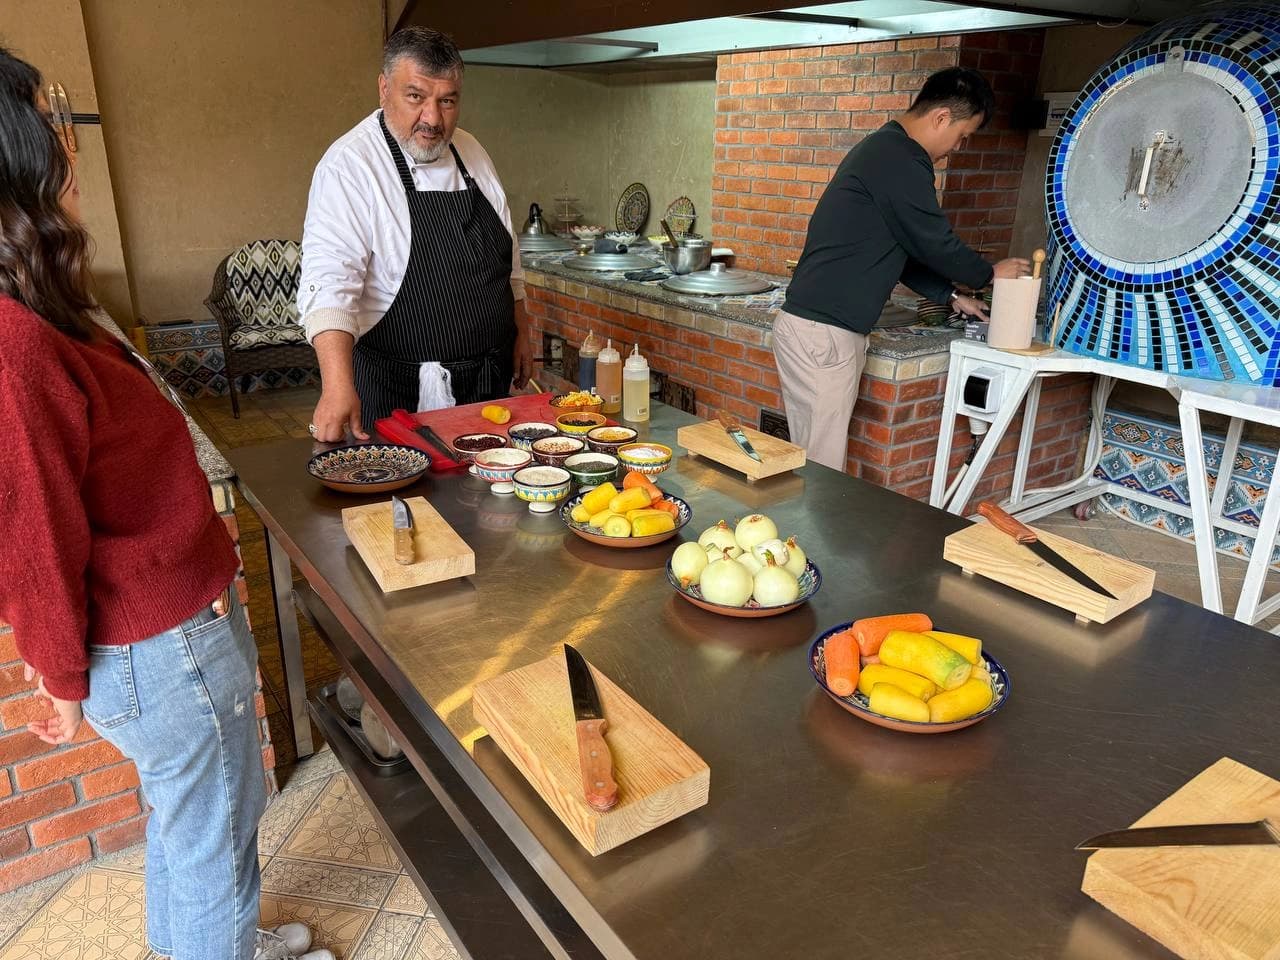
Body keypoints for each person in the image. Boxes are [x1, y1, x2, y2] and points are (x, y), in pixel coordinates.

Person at [0, 48, 330, 960]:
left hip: (162, 636)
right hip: (157, 648)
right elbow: (31, 537)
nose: (68, 146)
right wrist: (60, 677)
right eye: (47, 124)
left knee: (196, 825)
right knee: (211, 839)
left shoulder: (41, 305)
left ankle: (219, 943)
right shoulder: (12, 342)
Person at [774, 67, 1030, 471]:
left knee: (813, 461)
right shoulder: (902, 158)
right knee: (822, 470)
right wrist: (990, 274)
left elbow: (904, 251)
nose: (957, 147)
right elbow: (932, 239)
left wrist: (952, 296)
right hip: (824, 334)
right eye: (962, 135)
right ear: (942, 117)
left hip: (816, 330)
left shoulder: (884, 150)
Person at [299, 26, 533, 442]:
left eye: (447, 101)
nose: (433, 119)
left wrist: (522, 331)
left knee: (486, 483)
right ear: (384, 89)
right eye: (416, 97)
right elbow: (331, 286)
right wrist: (336, 386)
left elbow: (506, 257)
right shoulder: (350, 165)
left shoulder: (472, 151)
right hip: (398, 395)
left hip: (487, 384)